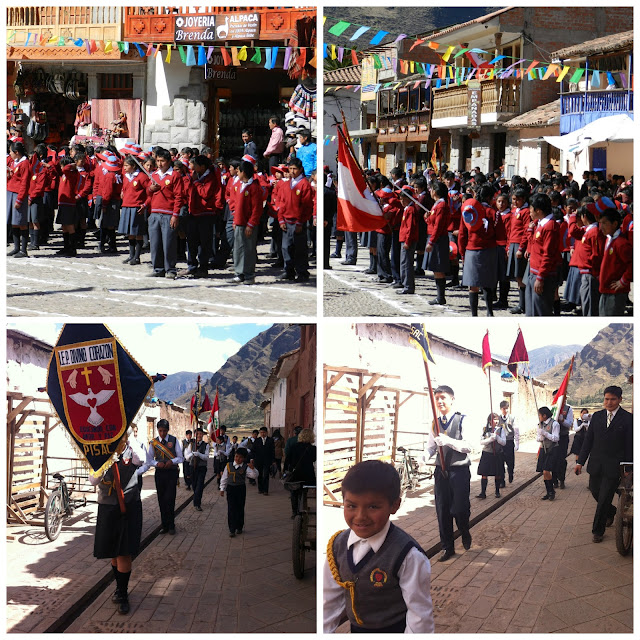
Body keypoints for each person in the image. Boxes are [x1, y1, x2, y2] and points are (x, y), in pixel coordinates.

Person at [323, 460, 434, 633]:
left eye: (373, 507)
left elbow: (419, 614)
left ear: (394, 505)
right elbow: (329, 600)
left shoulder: (408, 555)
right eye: (351, 506)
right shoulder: (337, 546)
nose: (360, 516)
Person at [90, 435, 145, 615]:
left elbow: (141, 460)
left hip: (128, 506)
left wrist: (128, 441)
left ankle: (122, 593)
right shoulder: (99, 453)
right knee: (114, 551)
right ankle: (119, 588)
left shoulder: (131, 448)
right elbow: (93, 480)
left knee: (124, 552)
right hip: (108, 507)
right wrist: (104, 462)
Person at [575, 385, 633, 542]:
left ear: (620, 399)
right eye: (606, 399)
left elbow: (630, 445)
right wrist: (580, 461)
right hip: (596, 464)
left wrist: (628, 467)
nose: (609, 402)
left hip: (615, 466)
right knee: (595, 491)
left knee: (604, 497)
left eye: (613, 399)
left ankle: (597, 531)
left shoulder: (628, 419)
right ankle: (612, 511)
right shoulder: (597, 417)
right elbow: (588, 441)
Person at [426, 385, 472, 561]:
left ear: (452, 399)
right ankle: (447, 547)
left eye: (443, 397)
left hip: (459, 470)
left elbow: (469, 446)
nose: (439, 401)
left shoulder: (462, 420)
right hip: (441, 471)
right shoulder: (435, 423)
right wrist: (424, 456)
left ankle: (464, 530)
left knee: (459, 509)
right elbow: (431, 446)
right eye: (436, 398)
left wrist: (448, 441)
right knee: (442, 510)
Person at [147, 148, 185, 279]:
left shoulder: (175, 176)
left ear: (169, 161)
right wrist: (150, 189)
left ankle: (170, 269)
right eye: (157, 161)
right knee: (155, 243)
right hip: (155, 213)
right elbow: (148, 192)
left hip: (168, 213)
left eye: (162, 161)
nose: (159, 164)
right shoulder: (154, 175)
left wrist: (175, 215)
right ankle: (158, 268)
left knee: (168, 243)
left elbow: (179, 196)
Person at [146, 419, 183, 534]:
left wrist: (172, 461)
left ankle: (171, 525)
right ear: (158, 430)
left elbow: (181, 457)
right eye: (160, 430)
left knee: (170, 498)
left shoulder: (174, 440)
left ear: (168, 430)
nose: (162, 433)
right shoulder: (154, 443)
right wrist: (157, 463)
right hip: (159, 473)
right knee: (161, 499)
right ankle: (164, 525)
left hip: (171, 473)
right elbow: (149, 460)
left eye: (165, 431)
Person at [231, 159, 262, 284]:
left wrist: (251, 224)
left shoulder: (254, 187)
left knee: (248, 249)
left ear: (244, 172)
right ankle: (239, 273)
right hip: (238, 222)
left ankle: (249, 274)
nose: (237, 173)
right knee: (238, 248)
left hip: (248, 224)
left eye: (238, 171)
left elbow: (256, 208)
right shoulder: (238, 185)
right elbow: (235, 204)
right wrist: (234, 220)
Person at [598, 208, 633, 316]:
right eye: (600, 223)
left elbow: (632, 265)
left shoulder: (621, 243)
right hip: (605, 289)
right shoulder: (609, 239)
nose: (601, 226)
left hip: (615, 293)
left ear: (614, 224)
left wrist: (623, 281)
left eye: (604, 223)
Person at [219, 447, 258, 537]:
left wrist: (253, 468)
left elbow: (253, 476)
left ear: (244, 458)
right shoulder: (228, 465)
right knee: (231, 508)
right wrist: (222, 489)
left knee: (240, 508)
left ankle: (239, 526)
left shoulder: (245, 467)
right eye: (236, 456)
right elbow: (224, 478)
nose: (238, 459)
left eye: (240, 457)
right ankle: (232, 529)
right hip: (230, 489)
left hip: (240, 489)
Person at [284, 427, 316, 517]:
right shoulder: (313, 449)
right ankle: (303, 509)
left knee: (294, 493)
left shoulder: (294, 447)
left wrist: (285, 471)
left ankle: (295, 512)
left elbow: (288, 460)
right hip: (308, 475)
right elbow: (314, 459)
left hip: (295, 475)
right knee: (303, 492)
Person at [7, 141, 31, 258]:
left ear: (16, 152)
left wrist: (19, 200)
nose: (9, 154)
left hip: (18, 194)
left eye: (11, 151)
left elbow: (24, 183)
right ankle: (16, 248)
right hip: (10, 192)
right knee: (14, 222)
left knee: (21, 222)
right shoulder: (15, 162)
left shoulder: (25, 163)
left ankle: (23, 249)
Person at [476, 413, 506, 499]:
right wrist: (490, 439)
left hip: (497, 454)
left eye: (497, 419)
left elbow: (504, 442)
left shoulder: (501, 430)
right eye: (494, 419)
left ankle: (497, 491)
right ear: (490, 420)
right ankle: (483, 492)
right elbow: (481, 442)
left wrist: (497, 438)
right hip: (487, 453)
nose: (496, 421)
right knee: (484, 473)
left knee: (497, 473)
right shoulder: (485, 429)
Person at [536, 406, 560, 501]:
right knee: (543, 472)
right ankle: (548, 491)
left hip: (552, 449)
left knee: (546, 471)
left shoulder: (555, 424)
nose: (539, 417)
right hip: (543, 449)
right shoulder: (540, 425)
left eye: (540, 415)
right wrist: (540, 437)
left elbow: (556, 438)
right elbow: (538, 437)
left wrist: (545, 434)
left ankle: (551, 491)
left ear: (544, 415)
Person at [552, 392, 574, 490]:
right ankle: (554, 480)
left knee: (561, 459)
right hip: (551, 438)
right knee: (553, 459)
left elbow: (569, 424)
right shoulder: (552, 408)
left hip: (563, 437)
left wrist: (562, 420)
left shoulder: (568, 409)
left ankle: (561, 479)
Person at [185, 427, 209, 511]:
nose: (199, 435)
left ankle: (197, 503)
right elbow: (187, 457)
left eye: (200, 434)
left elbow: (206, 457)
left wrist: (199, 454)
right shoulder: (191, 444)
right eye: (197, 434)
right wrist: (192, 454)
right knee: (194, 486)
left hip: (202, 468)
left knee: (199, 486)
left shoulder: (206, 445)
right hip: (192, 467)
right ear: (195, 435)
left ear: (203, 435)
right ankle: (196, 499)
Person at [498, 400, 519, 485]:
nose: (505, 410)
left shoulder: (512, 418)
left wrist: (517, 443)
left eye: (507, 408)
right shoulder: (498, 418)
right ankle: (502, 480)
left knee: (510, 462)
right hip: (501, 442)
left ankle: (511, 473)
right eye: (504, 409)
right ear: (501, 409)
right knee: (500, 462)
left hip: (509, 441)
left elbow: (516, 431)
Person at [251, 426, 275, 495]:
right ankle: (260, 489)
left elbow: (272, 451)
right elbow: (253, 450)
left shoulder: (270, 440)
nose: (262, 434)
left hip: (267, 460)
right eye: (261, 432)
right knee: (259, 475)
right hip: (258, 460)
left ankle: (265, 490)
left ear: (267, 433)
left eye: (264, 432)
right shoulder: (257, 440)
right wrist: (252, 458)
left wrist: (273, 461)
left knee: (266, 475)